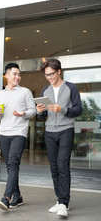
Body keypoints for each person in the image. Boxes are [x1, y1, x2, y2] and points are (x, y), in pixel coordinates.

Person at [36, 58, 82, 217]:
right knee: (54, 167)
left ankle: (64, 202)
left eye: (51, 74)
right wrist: (40, 111)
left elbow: (78, 109)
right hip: (49, 132)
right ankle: (60, 200)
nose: (49, 77)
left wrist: (62, 109)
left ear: (59, 71)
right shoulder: (45, 91)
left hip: (66, 130)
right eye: (46, 75)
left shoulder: (71, 88)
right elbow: (42, 116)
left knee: (63, 165)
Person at [0, 62, 36, 211]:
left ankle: (6, 198)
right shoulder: (0, 94)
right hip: (4, 133)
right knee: (10, 166)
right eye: (15, 74)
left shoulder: (25, 92)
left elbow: (33, 111)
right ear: (7, 75)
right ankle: (17, 196)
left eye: (19, 74)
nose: (18, 77)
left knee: (13, 163)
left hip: (19, 132)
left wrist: (23, 113)